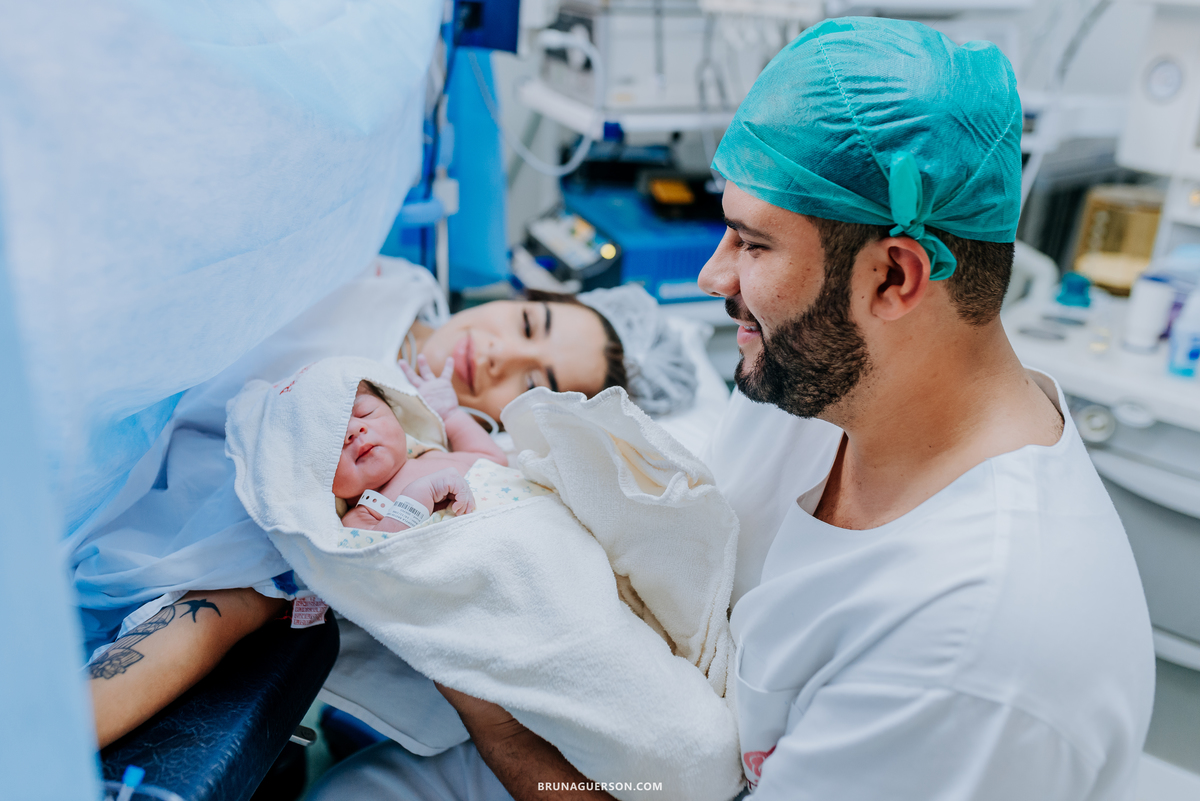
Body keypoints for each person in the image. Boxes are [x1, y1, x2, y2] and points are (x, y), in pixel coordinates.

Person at [310, 16, 1155, 801]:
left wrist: (473, 674)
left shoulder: (971, 654)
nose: (713, 275)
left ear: (895, 276)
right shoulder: (818, 391)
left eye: (752, 243)